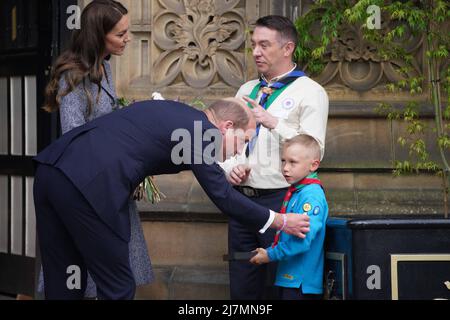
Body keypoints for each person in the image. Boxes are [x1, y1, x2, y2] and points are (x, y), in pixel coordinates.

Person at [33, 97, 311, 300]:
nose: (241, 150)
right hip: (89, 186)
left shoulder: (181, 115)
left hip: (51, 171)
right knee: (117, 287)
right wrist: (280, 221)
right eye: (244, 140)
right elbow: (223, 197)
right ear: (227, 127)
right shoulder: (201, 131)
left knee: (64, 279)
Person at [38, 0, 153, 299]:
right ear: (97, 34)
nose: (128, 38)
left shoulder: (105, 66)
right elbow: (74, 136)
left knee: (111, 276)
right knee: (85, 275)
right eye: (120, 34)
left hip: (108, 183)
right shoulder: (72, 75)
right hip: (86, 185)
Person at [219, 15, 329, 299]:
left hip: (282, 201)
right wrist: (230, 167)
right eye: (254, 44)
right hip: (242, 201)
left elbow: (314, 150)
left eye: (264, 45)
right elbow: (226, 143)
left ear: (287, 48)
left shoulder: (311, 92)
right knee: (243, 285)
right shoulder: (246, 91)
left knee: (278, 285)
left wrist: (273, 122)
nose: (256, 52)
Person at [250, 135, 328, 300]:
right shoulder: (297, 191)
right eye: (283, 161)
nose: (285, 168)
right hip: (288, 279)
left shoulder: (311, 197)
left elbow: (302, 240)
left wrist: (270, 255)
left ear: (313, 165)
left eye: (293, 162)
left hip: (301, 284)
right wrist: (268, 251)